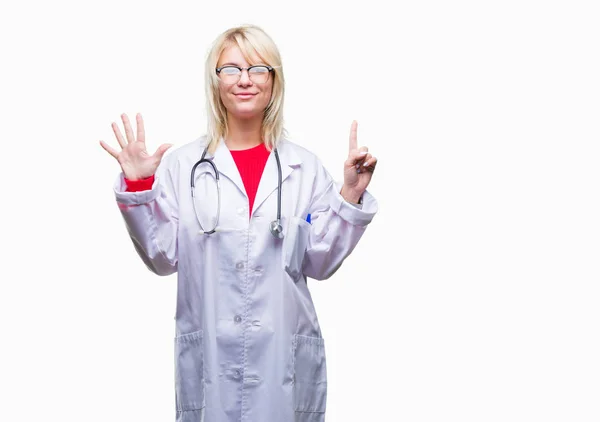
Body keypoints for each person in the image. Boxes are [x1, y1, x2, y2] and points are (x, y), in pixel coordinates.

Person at [99, 24, 378, 422]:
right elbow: (162, 258)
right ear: (215, 82)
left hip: (283, 360)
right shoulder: (183, 166)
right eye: (230, 69)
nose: (244, 79)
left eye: (258, 68)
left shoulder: (304, 168)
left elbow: (320, 262)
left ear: (273, 81)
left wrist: (349, 195)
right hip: (211, 362)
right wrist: (140, 183)